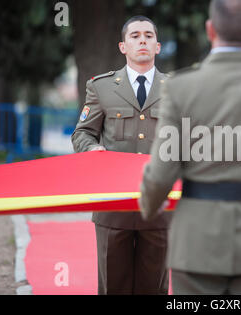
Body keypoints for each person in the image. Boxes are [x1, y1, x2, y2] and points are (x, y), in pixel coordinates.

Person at [139, 0, 241, 295]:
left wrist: (149, 206)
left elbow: (162, 173)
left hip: (196, 239)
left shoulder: (180, 87)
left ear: (210, 29)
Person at [71, 16, 170, 295]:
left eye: (148, 36)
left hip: (160, 207)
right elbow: (82, 133)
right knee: (113, 286)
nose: (142, 40)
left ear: (158, 46)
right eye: (135, 36)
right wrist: (92, 150)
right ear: (123, 46)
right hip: (113, 206)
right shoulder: (101, 87)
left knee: (155, 288)